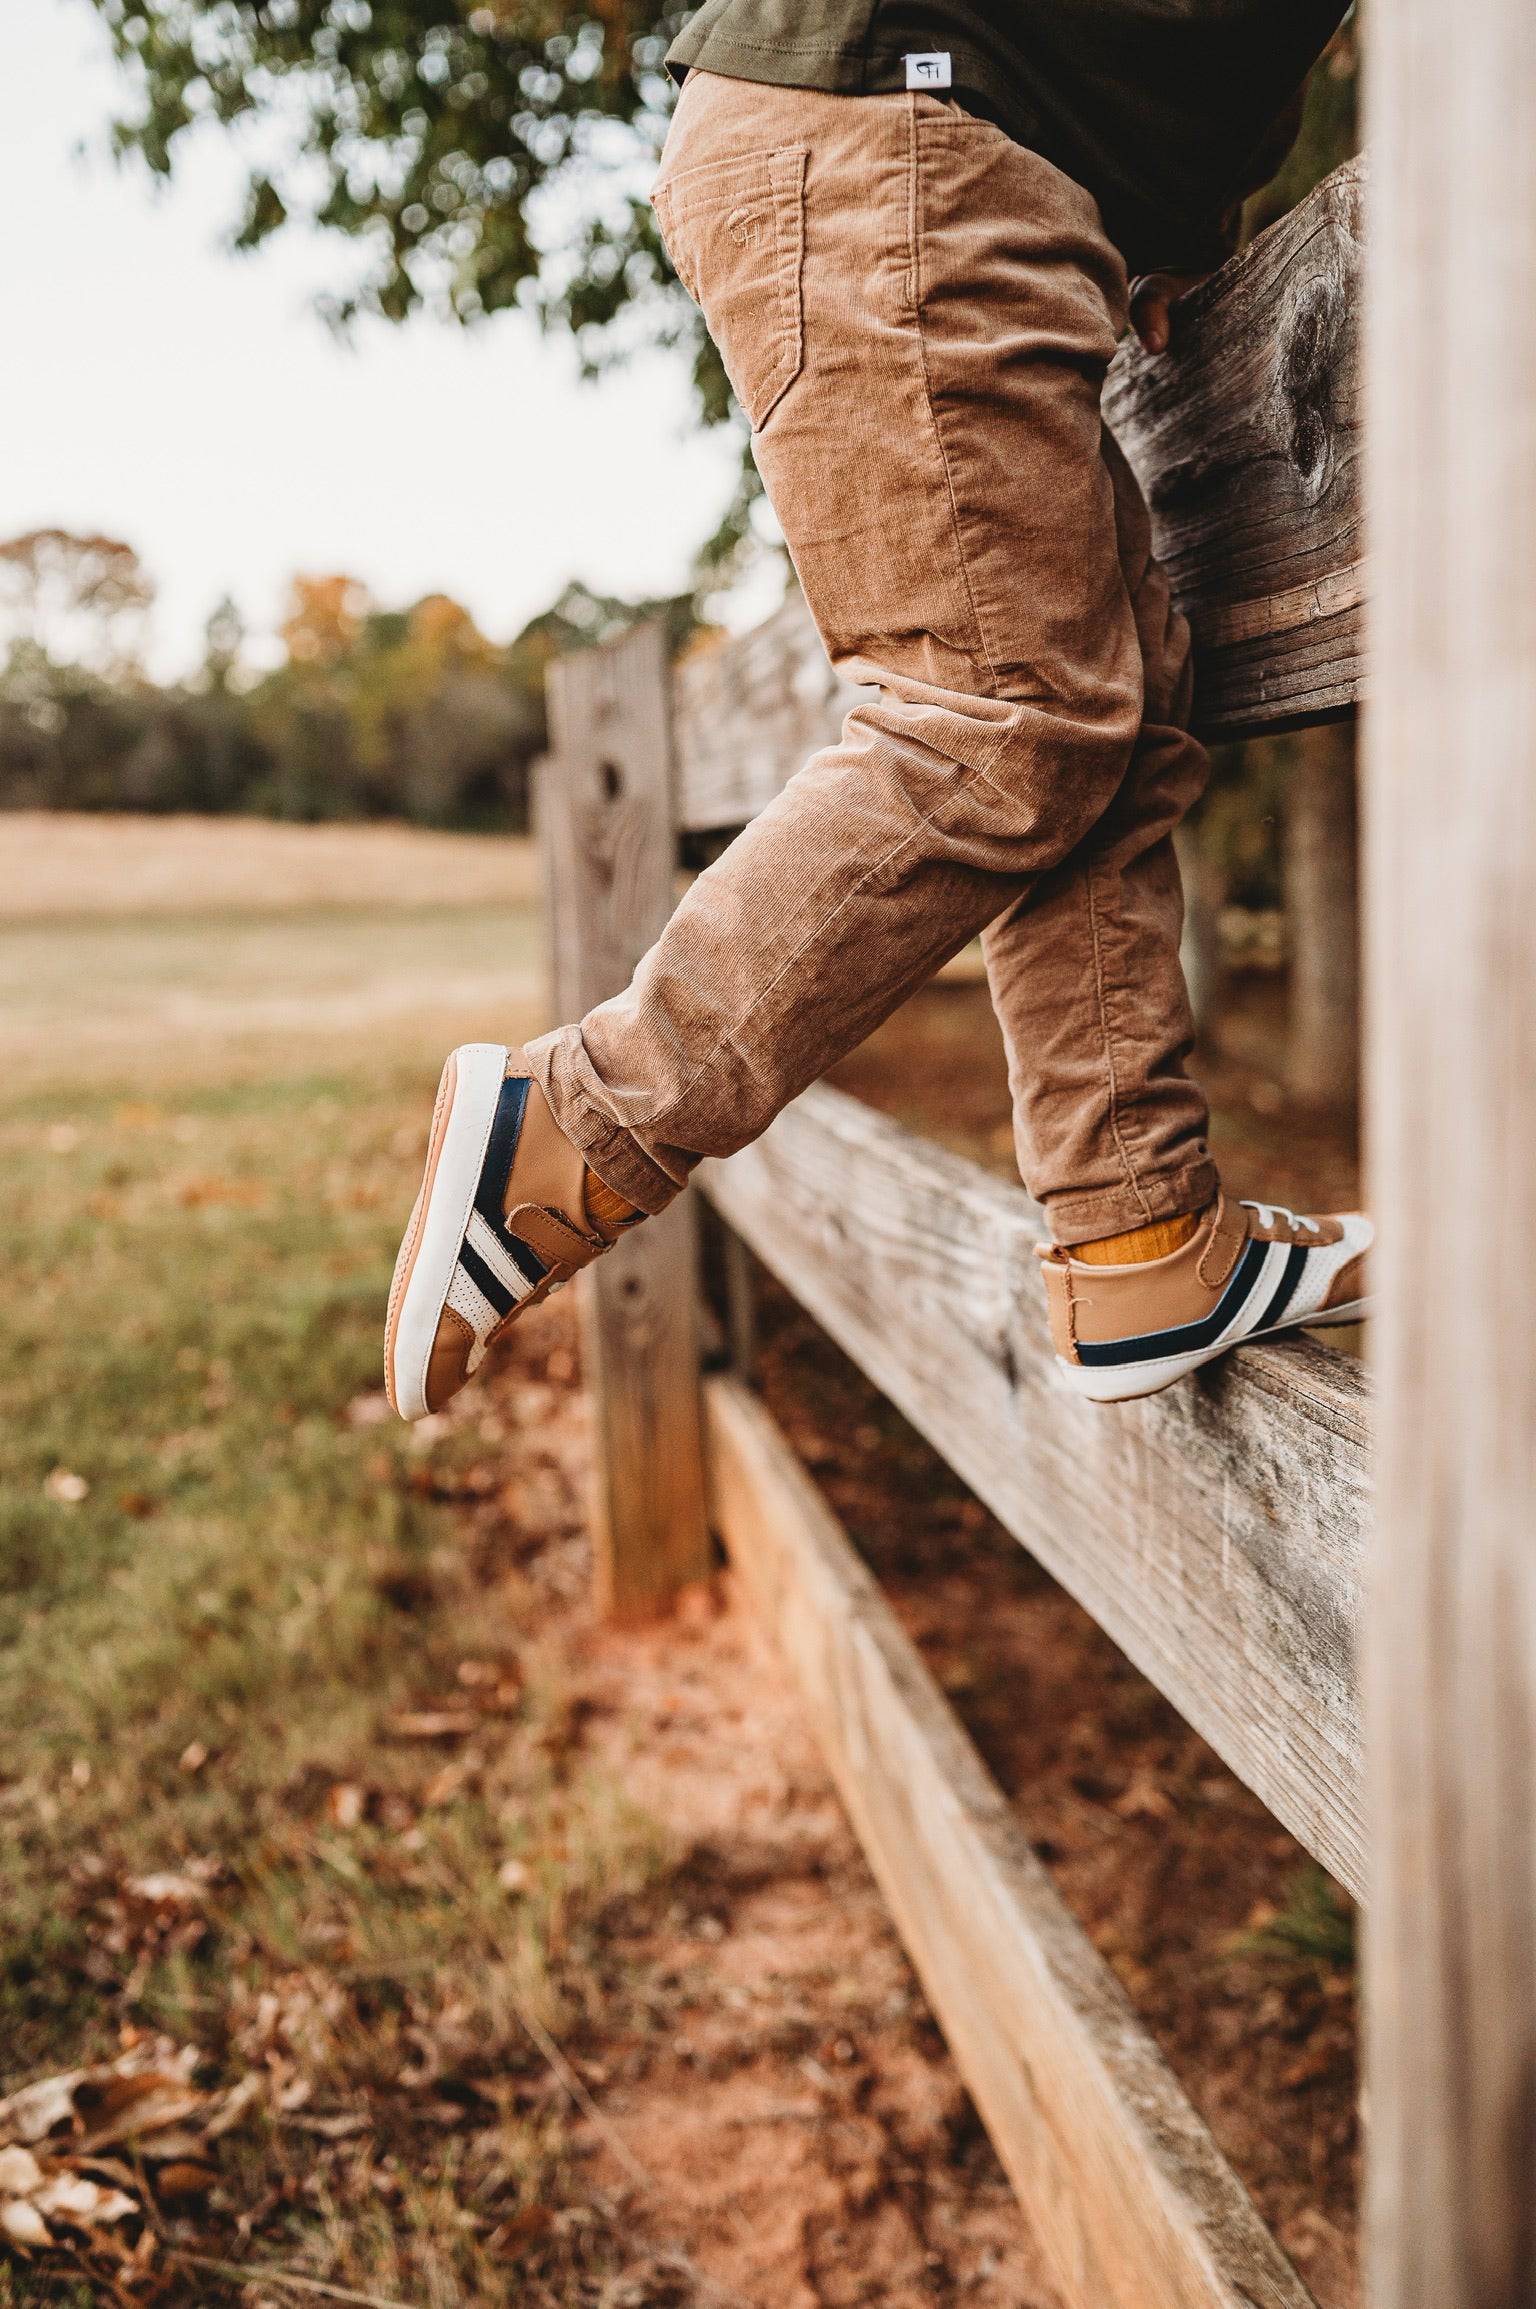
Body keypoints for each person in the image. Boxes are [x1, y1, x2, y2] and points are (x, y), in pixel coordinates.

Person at [384, 1, 1371, 1423]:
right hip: (906, 131)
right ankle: (574, 1128)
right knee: (994, 720)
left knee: (1111, 705)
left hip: (937, 144)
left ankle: (1140, 1231)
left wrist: (1173, 211)